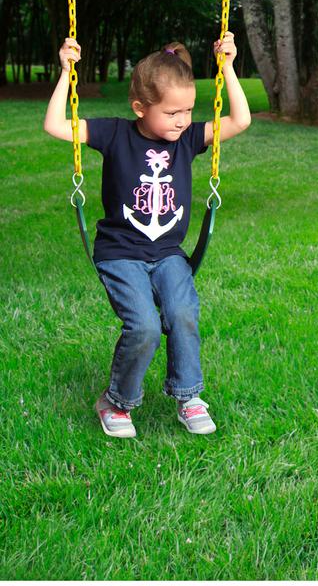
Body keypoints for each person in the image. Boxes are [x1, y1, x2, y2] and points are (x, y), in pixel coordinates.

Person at [44, 33, 252, 437]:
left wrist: (227, 67)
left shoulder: (189, 139)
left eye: (188, 110)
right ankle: (116, 401)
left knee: (182, 314)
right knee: (142, 325)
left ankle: (188, 395)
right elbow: (55, 124)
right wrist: (66, 71)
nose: (182, 120)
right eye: (172, 112)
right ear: (140, 107)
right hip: (120, 252)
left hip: (169, 252)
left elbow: (240, 120)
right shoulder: (115, 134)